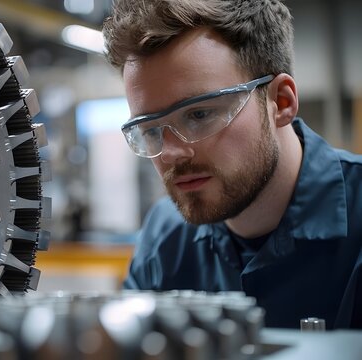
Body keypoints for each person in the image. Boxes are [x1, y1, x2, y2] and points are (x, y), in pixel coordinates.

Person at [102, 0, 362, 329]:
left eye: (198, 114)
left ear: (281, 102)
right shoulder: (164, 239)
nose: (170, 153)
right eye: (150, 130)